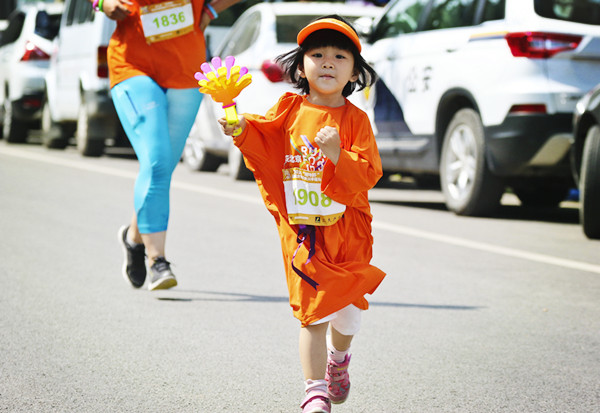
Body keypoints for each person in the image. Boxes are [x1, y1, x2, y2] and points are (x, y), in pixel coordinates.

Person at [219, 15, 386, 413]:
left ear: (354, 73)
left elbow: (368, 174)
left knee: (346, 317)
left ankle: (338, 362)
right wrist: (238, 126)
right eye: (317, 54)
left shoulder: (356, 120)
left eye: (340, 56)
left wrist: (337, 155)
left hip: (347, 234)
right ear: (299, 66)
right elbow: (264, 139)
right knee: (311, 314)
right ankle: (314, 391)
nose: (328, 62)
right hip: (304, 233)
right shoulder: (289, 108)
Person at [95, 0, 240, 290]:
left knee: (160, 171)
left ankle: (134, 237)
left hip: (186, 70)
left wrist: (211, 9)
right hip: (132, 65)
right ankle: (157, 260)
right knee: (158, 162)